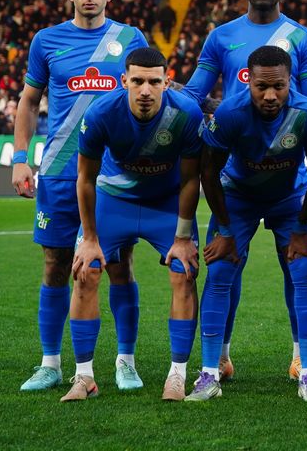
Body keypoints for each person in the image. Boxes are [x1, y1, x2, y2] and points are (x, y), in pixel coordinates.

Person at [180, 0, 307, 382]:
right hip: (236, 168)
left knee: (298, 266)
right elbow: (194, 95)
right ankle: (220, 359)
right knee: (226, 265)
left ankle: (301, 359)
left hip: (289, 176)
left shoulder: (303, 38)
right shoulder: (221, 36)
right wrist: (223, 109)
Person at [11, 0, 149, 393]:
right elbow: (28, 101)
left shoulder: (130, 38)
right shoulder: (46, 40)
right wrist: (20, 157)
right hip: (58, 172)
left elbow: (147, 96)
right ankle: (50, 364)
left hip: (113, 175)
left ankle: (126, 362)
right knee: (55, 265)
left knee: (120, 265)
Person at [186, 45, 307, 403]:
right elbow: (208, 172)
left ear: (290, 82)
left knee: (304, 270)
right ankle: (209, 374)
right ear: (248, 81)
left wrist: (302, 227)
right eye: (261, 86)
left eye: (278, 86)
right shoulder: (230, 113)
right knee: (220, 270)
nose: (270, 95)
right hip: (238, 196)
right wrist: (224, 230)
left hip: (290, 198)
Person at [61, 47, 204, 402]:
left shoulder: (187, 113)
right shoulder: (101, 113)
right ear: (124, 81)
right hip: (115, 199)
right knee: (85, 270)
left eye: (154, 82)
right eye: (137, 81)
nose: (145, 90)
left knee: (184, 271)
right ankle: (84, 377)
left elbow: (191, 180)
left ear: (167, 82)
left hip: (165, 202)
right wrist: (89, 238)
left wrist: (183, 238)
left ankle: (177, 375)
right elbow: (85, 179)